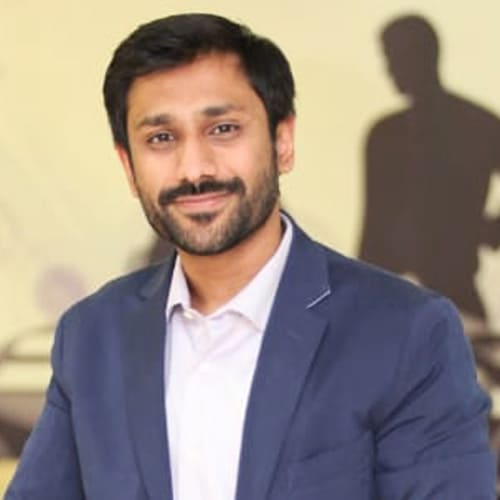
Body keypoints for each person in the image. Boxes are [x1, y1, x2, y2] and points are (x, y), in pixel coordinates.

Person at [6, 13, 495, 500]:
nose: (194, 169)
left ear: (283, 142)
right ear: (129, 167)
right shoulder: (92, 337)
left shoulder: (407, 333)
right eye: (161, 138)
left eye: (222, 128)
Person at [359, 15, 500, 327]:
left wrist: (485, 229)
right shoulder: (387, 134)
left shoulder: (389, 134)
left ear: (424, 55)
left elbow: (372, 237)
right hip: (410, 298)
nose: (389, 69)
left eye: (395, 57)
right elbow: (373, 233)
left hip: (445, 298)